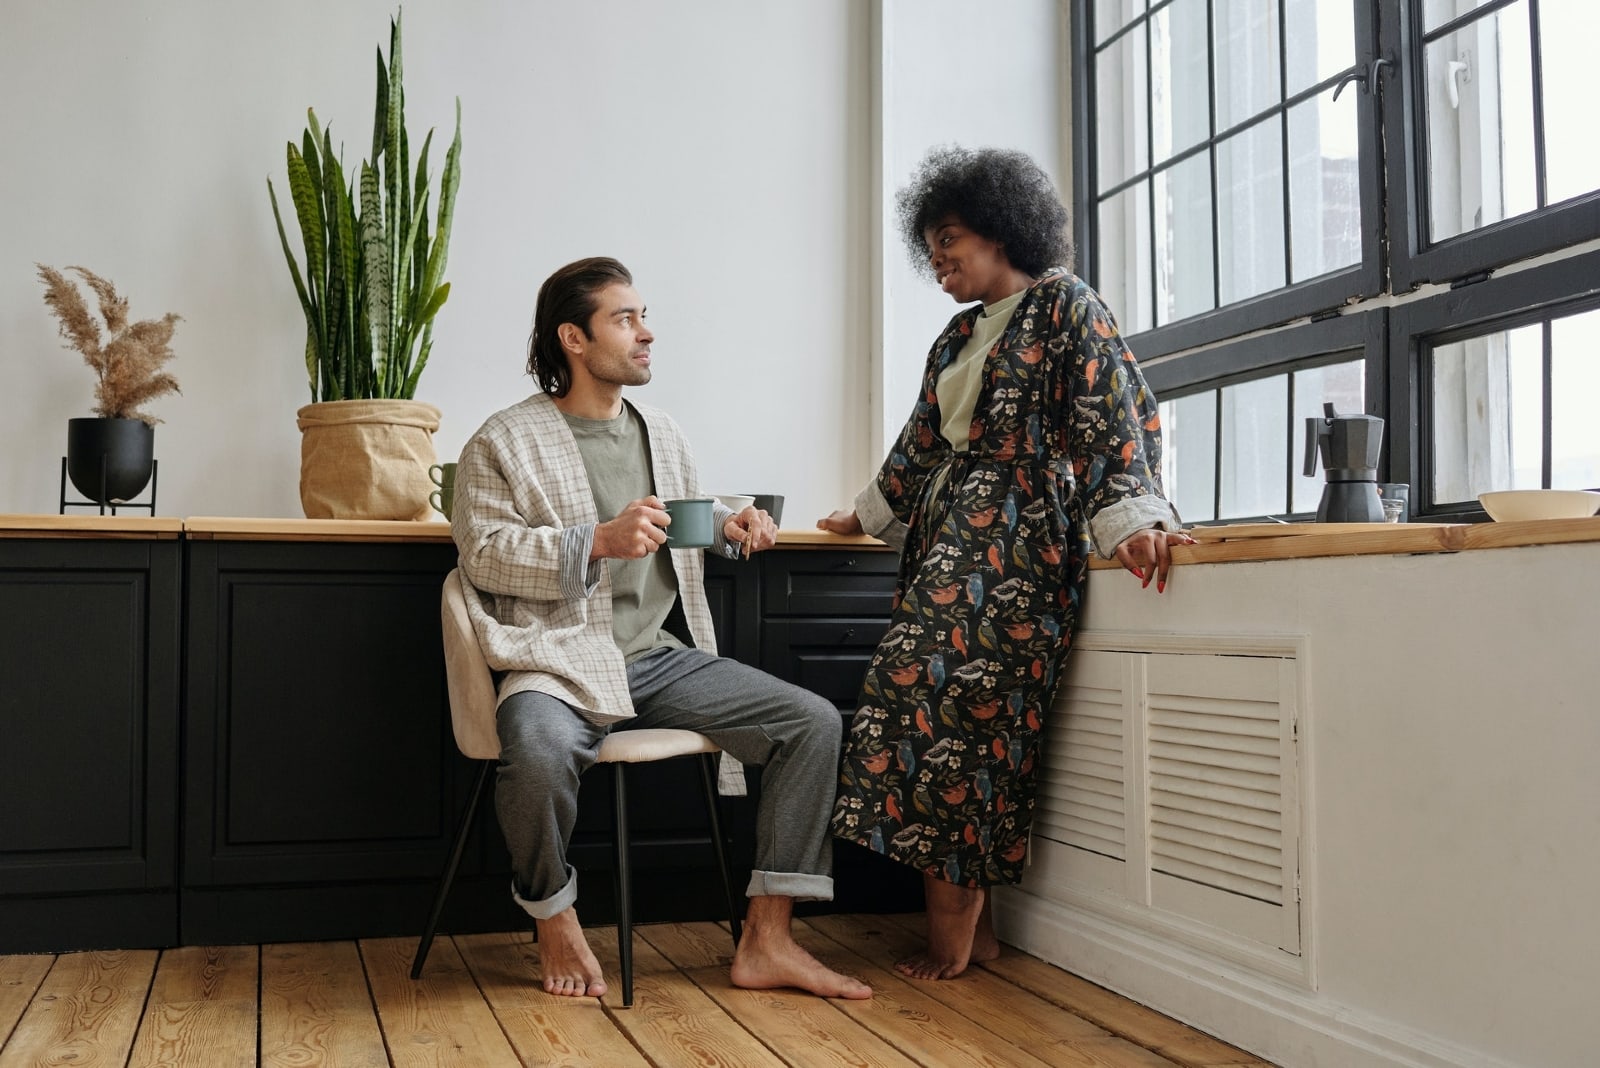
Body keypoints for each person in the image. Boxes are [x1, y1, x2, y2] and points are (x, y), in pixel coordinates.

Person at [452, 256, 871, 1001]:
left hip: (658, 661)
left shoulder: (661, 433)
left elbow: (679, 513)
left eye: (643, 317)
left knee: (810, 723)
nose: (647, 333)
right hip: (558, 661)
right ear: (573, 339)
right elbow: (484, 556)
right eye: (626, 319)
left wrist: (731, 520)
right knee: (539, 751)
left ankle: (768, 939)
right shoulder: (503, 441)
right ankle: (553, 916)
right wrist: (597, 542)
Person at [820, 146, 1193, 980]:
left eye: (951, 237)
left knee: (954, 715)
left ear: (1001, 228)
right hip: (949, 536)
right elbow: (919, 444)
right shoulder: (957, 334)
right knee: (916, 711)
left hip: (1020, 539)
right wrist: (863, 514)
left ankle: (958, 926)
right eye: (931, 245)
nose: (939, 257)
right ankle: (970, 927)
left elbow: (1111, 417)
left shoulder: (1068, 306)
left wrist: (1133, 517)